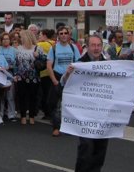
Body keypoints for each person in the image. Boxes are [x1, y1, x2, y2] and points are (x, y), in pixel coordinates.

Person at [60, 34, 110, 172]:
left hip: (102, 113)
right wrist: (68, 74)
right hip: (85, 114)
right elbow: (64, 83)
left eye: (99, 45)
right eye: (93, 45)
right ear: (87, 47)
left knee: (100, 149)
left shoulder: (108, 64)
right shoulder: (80, 64)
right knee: (86, 148)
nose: (96, 48)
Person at [47, 25, 80, 136]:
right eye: (61, 33)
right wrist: (54, 80)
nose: (63, 35)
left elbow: (79, 63)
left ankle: (69, 126)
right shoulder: (54, 48)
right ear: (58, 36)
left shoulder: (73, 47)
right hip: (57, 76)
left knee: (70, 103)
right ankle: (56, 127)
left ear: (69, 35)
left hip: (70, 78)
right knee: (54, 104)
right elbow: (49, 66)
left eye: (65, 33)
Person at [14, 29, 45, 125]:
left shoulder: (37, 48)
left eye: (21, 36)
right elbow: (16, 63)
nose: (20, 38)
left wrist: (38, 56)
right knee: (22, 96)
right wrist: (15, 75)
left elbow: (45, 59)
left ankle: (32, 116)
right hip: (21, 76)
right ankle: (23, 116)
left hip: (34, 76)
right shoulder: (18, 48)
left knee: (33, 97)